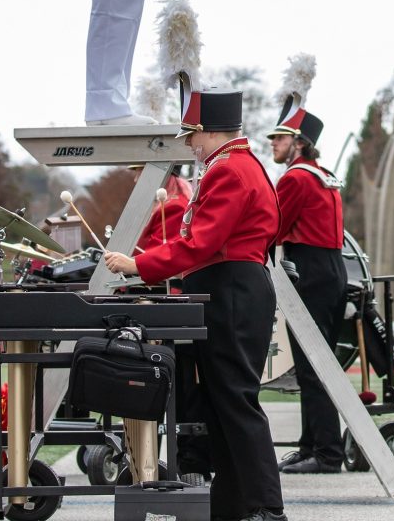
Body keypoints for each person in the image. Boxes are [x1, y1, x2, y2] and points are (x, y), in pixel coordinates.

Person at [103, 87, 286, 521]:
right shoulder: (237, 165)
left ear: (208, 132)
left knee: (236, 401)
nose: (190, 144)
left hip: (232, 289)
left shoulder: (229, 169)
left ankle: (266, 507)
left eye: (193, 135)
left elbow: (200, 242)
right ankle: (235, 505)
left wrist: (138, 264)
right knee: (223, 402)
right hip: (231, 286)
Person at [269, 102, 347, 476]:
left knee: (313, 368)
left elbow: (273, 227)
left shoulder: (296, 178)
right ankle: (310, 445)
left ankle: (328, 454)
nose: (273, 143)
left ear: (298, 142)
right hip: (330, 269)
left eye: (280, 137)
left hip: (311, 271)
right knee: (311, 367)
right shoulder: (322, 174)